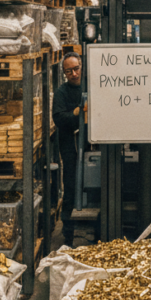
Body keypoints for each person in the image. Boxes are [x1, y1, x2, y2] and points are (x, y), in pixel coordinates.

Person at [52, 52, 86, 247]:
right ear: (64, 73)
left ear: (81, 66)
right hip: (70, 146)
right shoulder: (61, 93)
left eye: (76, 69)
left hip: (90, 145)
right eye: (69, 71)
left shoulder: (90, 86)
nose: (74, 74)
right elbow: (58, 118)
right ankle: (68, 233)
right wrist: (76, 114)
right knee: (71, 186)